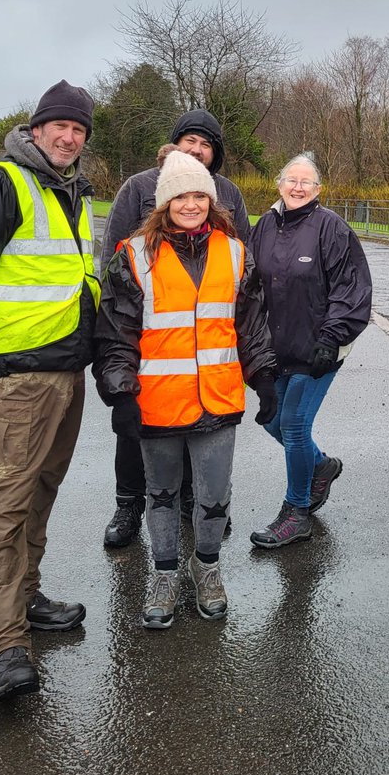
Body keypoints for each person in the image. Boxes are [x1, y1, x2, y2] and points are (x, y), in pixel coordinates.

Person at [0, 80, 100, 701]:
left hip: (68, 371)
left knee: (40, 492)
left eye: (79, 129)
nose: (68, 136)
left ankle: (27, 598)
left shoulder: (74, 193)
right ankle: (2, 646)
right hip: (23, 379)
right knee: (5, 507)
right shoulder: (4, 183)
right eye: (59, 126)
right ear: (35, 129)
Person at [93, 150, 277, 626]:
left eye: (200, 195)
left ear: (212, 201)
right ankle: (165, 572)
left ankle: (208, 566)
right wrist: (119, 393)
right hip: (157, 404)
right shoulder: (133, 256)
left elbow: (250, 326)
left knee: (214, 495)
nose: (191, 204)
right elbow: (116, 334)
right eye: (181, 195)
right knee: (162, 495)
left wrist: (265, 379)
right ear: (164, 202)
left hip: (217, 401)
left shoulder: (236, 253)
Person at [100, 110, 251, 549]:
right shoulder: (139, 187)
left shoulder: (228, 194)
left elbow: (241, 262)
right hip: (151, 340)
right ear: (174, 143)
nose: (197, 149)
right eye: (190, 140)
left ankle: (198, 505)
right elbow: (113, 253)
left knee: (203, 432)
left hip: (205, 344)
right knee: (138, 436)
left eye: (206, 144)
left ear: (215, 154)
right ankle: (128, 504)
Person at [248, 155, 372, 548]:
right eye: (291, 180)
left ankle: (296, 511)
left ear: (318, 189)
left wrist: (332, 337)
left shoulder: (331, 228)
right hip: (276, 347)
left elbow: (351, 287)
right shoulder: (264, 226)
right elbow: (250, 287)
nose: (298, 187)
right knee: (272, 422)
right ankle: (320, 465)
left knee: (296, 425)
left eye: (307, 182)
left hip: (319, 347)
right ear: (278, 184)